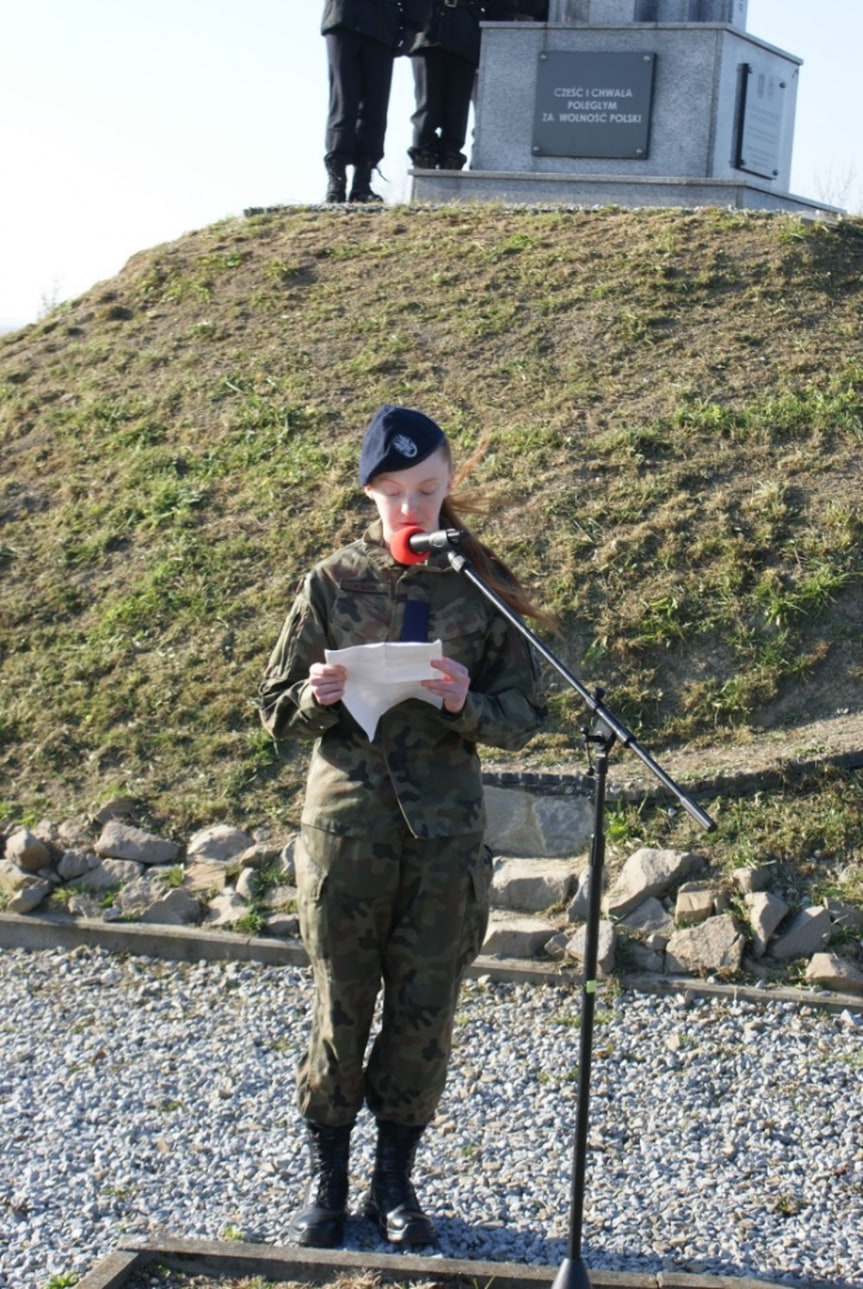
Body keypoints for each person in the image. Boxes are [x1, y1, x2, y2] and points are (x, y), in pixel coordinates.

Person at [258, 404, 547, 1249]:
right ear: (368, 496)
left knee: (424, 1011)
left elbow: (525, 711)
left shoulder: (483, 583)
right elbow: (271, 708)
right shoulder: (330, 582)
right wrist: (313, 699)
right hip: (345, 835)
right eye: (393, 494)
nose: (411, 508)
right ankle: (329, 1180)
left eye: (426, 488)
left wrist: (463, 702)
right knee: (340, 1007)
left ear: (450, 482)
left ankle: (395, 1183)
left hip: (443, 841)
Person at [321, 0, 431, 203]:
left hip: (382, 22)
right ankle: (336, 179)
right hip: (344, 17)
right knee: (343, 102)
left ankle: (363, 181)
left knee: (375, 106)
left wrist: (412, 25)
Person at [407, 0, 517, 172]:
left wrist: (496, 34)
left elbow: (502, 8)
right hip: (430, 28)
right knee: (428, 106)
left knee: (456, 110)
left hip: (467, 32)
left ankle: (450, 159)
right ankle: (423, 159)